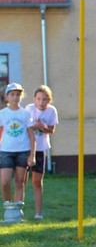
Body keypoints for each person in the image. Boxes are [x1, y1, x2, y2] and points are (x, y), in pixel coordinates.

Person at [25, 85, 58, 219]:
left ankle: (38, 213)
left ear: (49, 100)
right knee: (22, 180)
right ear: (34, 99)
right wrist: (34, 125)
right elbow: (25, 126)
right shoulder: (29, 109)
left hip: (40, 148)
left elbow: (52, 129)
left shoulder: (51, 111)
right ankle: (18, 210)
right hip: (26, 148)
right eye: (39, 99)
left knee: (37, 181)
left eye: (45, 100)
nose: (41, 102)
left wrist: (44, 127)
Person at [0, 83, 35, 207]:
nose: (15, 97)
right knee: (4, 182)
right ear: (6, 97)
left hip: (22, 150)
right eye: (12, 95)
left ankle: (18, 209)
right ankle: (8, 206)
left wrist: (32, 155)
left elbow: (31, 135)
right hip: (6, 151)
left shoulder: (25, 114)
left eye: (18, 95)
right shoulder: (3, 114)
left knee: (20, 182)